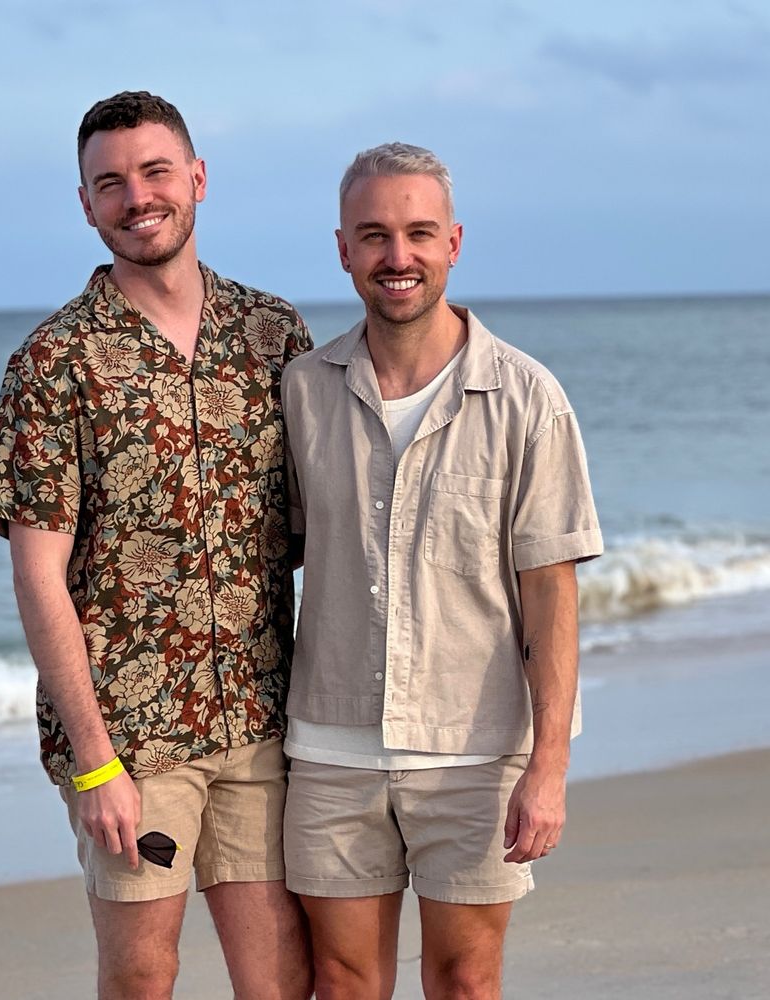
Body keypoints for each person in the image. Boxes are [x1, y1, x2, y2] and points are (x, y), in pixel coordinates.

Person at [0, 91, 313, 1000]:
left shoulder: (274, 336)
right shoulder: (54, 362)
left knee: (281, 972)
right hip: (129, 737)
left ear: (197, 179)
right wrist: (95, 761)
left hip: (262, 720)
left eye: (156, 172)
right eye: (112, 183)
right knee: (140, 972)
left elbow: (313, 530)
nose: (138, 197)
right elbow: (38, 575)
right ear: (86, 205)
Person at [280, 143, 603, 1000]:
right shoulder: (302, 392)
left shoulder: (530, 399)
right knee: (345, 982)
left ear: (453, 242)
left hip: (476, 746)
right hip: (330, 746)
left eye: (419, 233)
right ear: (343, 249)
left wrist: (548, 770)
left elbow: (551, 596)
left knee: (465, 981)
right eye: (375, 235)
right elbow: (270, 554)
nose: (398, 257)